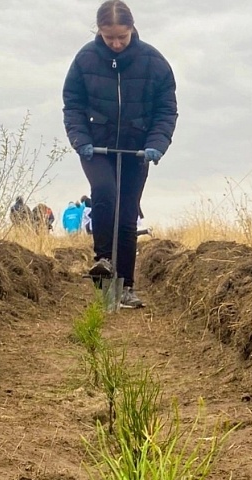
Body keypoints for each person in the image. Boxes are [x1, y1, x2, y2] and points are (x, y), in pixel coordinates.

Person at [62, 0, 178, 309]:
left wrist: (157, 143)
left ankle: (125, 285)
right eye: (108, 36)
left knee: (127, 214)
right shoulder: (85, 59)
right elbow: (72, 104)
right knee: (104, 192)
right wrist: (80, 139)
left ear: (131, 30)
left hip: (136, 149)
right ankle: (103, 262)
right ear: (98, 30)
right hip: (95, 146)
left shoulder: (153, 62)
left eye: (121, 37)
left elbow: (166, 109)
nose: (115, 43)